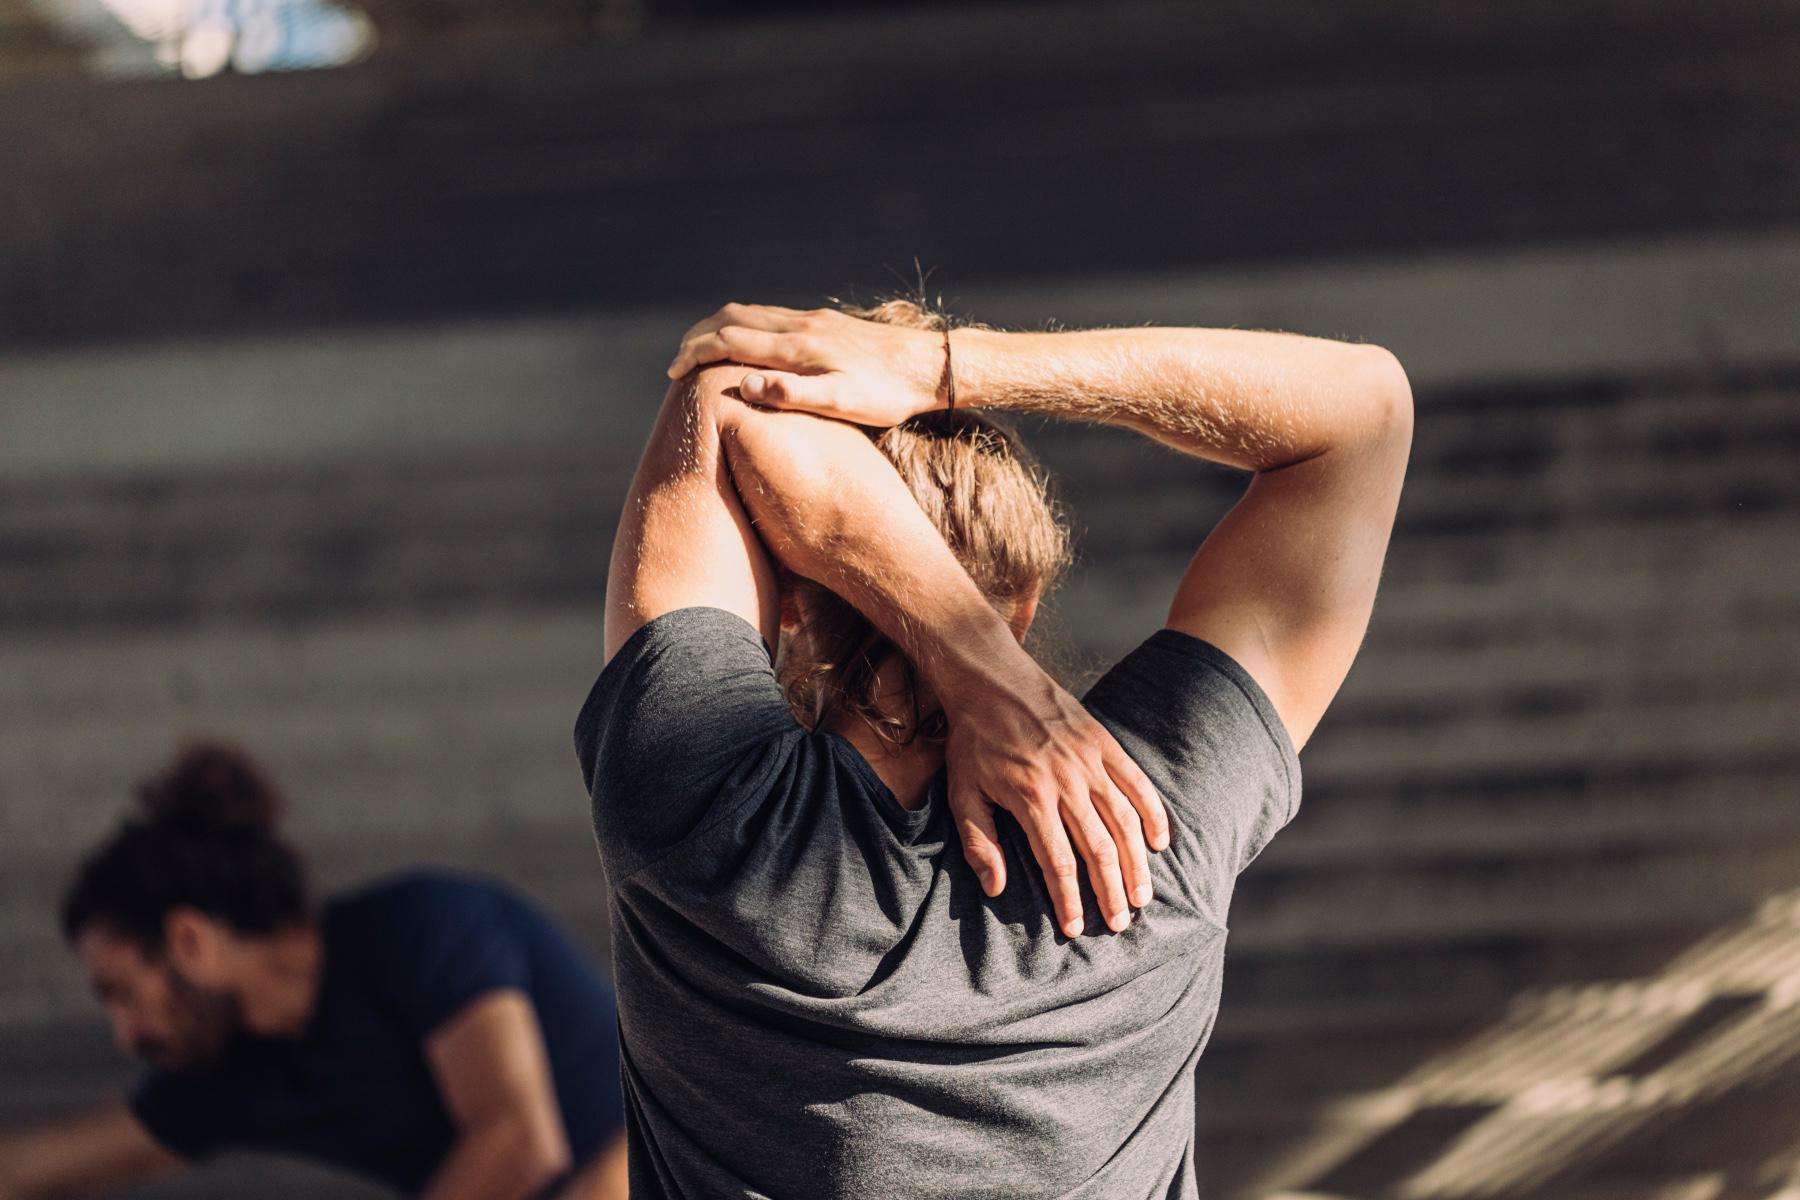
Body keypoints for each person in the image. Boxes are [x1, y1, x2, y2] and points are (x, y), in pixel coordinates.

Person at [575, 297, 1412, 1197]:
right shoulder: (1146, 829)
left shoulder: (703, 816)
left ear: (784, 595)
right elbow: (1366, 411)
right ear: (1025, 597)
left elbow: (731, 392)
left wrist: (973, 669)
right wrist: (944, 366)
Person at [0, 743, 629, 1200]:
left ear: (187, 939)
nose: (125, 1034)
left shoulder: (423, 928)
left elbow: (518, 1144)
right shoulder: (237, 1069)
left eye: (123, 994)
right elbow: (34, 1167)